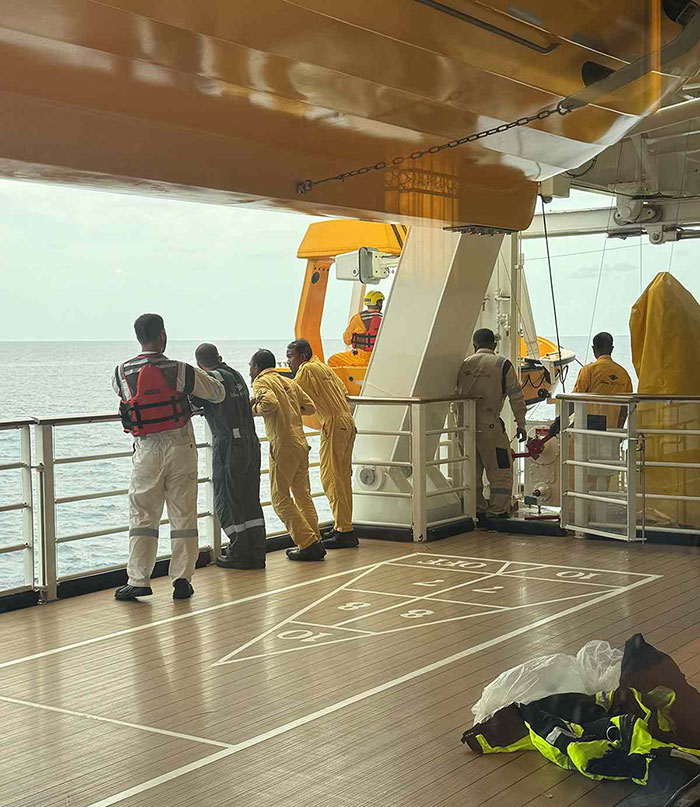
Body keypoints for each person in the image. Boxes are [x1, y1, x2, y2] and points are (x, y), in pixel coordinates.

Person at [113, 314, 225, 601]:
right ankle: (182, 580)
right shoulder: (180, 370)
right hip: (181, 447)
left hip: (147, 450)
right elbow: (218, 393)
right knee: (183, 515)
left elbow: (124, 398)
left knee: (142, 516)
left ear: (138, 337)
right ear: (162, 335)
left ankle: (138, 579)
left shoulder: (121, 372)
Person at [193, 343, 266, 570]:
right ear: (219, 357)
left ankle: (238, 550)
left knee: (227, 498)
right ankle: (257, 551)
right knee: (250, 498)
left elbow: (194, 401)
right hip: (250, 443)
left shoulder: (211, 380)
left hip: (229, 445)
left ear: (199, 365)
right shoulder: (236, 375)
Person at [249, 349, 326, 561]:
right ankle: (315, 538)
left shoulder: (261, 382)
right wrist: (290, 408)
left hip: (283, 445)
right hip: (300, 442)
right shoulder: (288, 381)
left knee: (279, 499)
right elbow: (309, 407)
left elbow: (269, 403)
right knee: (302, 495)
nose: (250, 371)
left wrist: (252, 409)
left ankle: (307, 542)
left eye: (250, 367)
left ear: (256, 367)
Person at [286, 339, 358, 549]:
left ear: (303, 356)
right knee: (342, 478)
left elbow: (293, 393)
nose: (288, 362)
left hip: (333, 423)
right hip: (347, 422)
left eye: (290, 357)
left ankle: (344, 531)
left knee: (331, 478)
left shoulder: (307, 369)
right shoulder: (324, 367)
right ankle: (343, 525)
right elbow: (343, 390)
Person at [455, 328, 527, 520]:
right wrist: (521, 424)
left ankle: (475, 509)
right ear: (494, 345)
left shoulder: (463, 365)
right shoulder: (502, 365)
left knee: (471, 471)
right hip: (490, 427)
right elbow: (516, 397)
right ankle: (497, 511)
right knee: (501, 470)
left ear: (474, 346)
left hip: (464, 427)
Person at [549, 332, 633, 436]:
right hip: (613, 431)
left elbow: (574, 399)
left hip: (590, 429)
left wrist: (559, 421)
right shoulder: (624, 374)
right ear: (612, 349)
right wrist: (619, 431)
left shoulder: (588, 370)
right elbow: (625, 409)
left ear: (593, 349)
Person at [328, 290, 384, 368]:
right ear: (379, 303)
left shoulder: (358, 318)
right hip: (377, 358)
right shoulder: (384, 319)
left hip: (360, 358)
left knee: (333, 360)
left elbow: (347, 341)